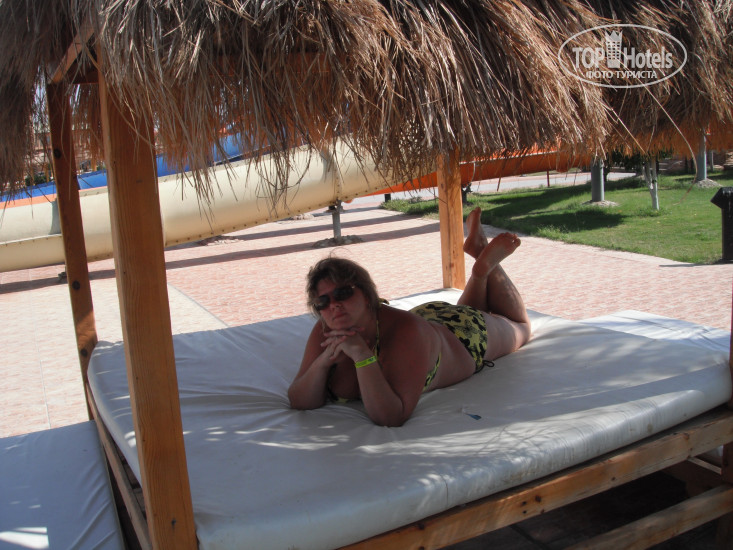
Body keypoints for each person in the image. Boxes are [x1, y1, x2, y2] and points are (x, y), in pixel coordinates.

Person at [288, 207, 531, 426]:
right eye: (323, 301)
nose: (334, 305)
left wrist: (362, 356)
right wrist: (323, 363)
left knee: (521, 326)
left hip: (465, 334)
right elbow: (299, 400)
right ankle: (479, 266)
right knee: (469, 309)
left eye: (343, 293)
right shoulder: (326, 331)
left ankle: (483, 266)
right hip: (430, 319)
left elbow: (391, 416)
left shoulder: (406, 333)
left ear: (367, 295)